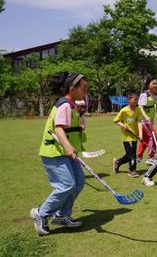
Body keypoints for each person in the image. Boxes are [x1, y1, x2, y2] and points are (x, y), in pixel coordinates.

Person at [30, 73, 90, 236]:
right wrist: (69, 146)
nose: (86, 91)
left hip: (67, 153)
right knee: (66, 185)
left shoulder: (72, 105)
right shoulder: (64, 105)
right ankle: (41, 213)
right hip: (55, 153)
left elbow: (75, 128)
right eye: (83, 88)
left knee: (78, 182)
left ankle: (62, 215)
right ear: (73, 89)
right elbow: (58, 128)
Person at [113, 92, 143, 178]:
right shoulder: (124, 110)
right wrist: (123, 125)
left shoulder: (138, 110)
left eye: (137, 100)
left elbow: (139, 122)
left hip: (135, 135)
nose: (136, 102)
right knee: (132, 155)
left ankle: (118, 162)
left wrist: (140, 134)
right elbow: (116, 120)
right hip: (127, 136)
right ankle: (132, 170)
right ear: (128, 100)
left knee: (129, 154)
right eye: (134, 100)